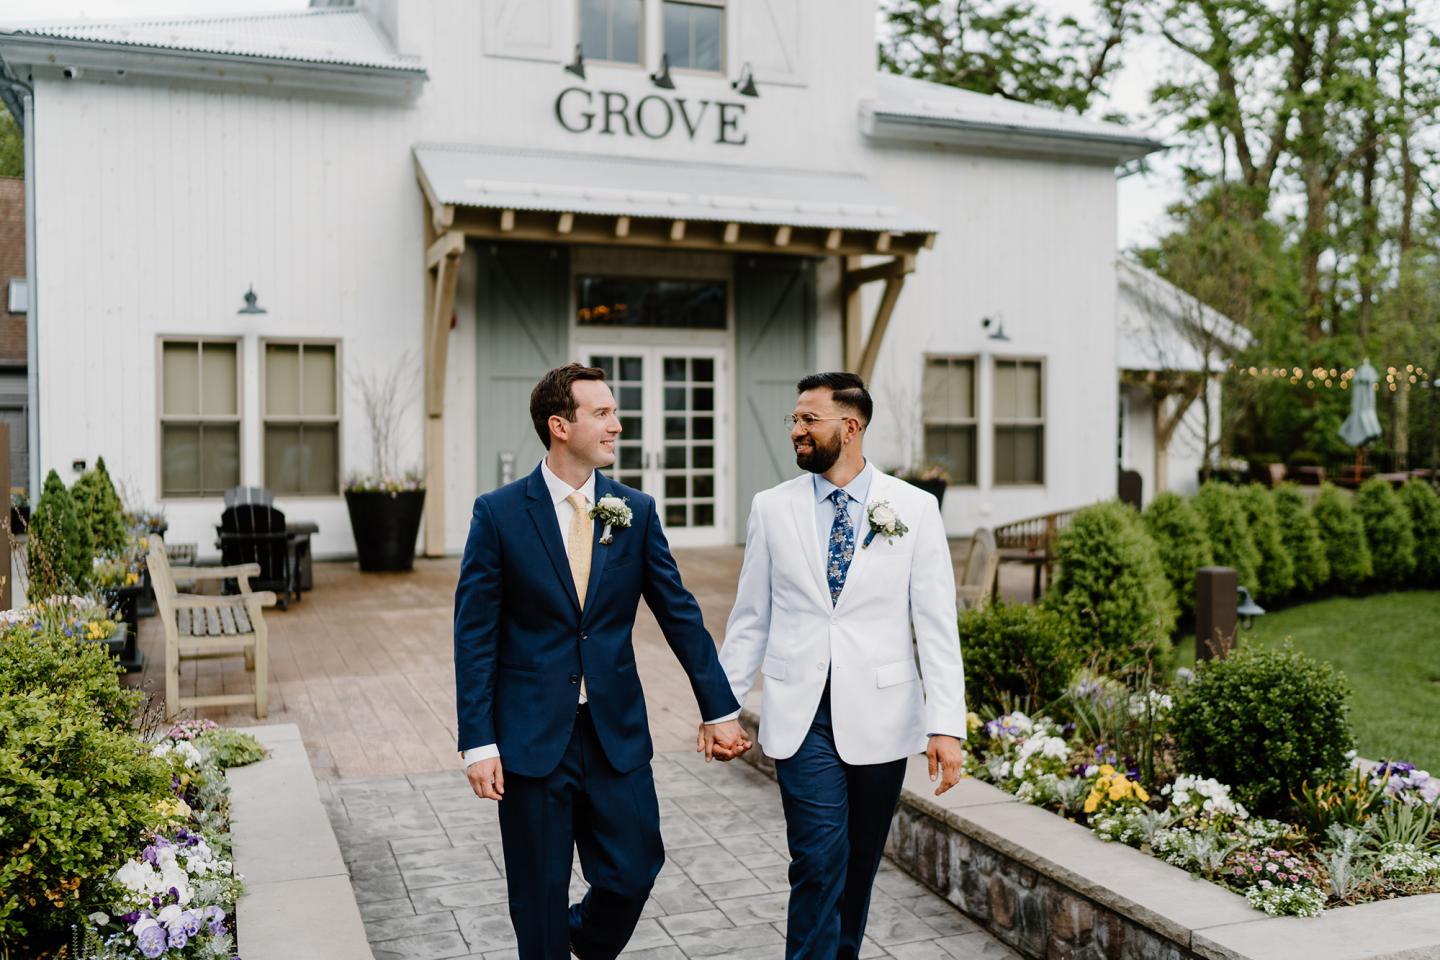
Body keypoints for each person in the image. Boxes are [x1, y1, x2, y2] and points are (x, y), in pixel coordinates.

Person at [454, 362, 750, 960]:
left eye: (614, 412)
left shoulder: (634, 510)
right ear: (560, 425)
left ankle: (581, 941)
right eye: (603, 413)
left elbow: (680, 613)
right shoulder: (500, 513)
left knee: (634, 869)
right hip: (532, 736)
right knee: (536, 894)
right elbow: (475, 633)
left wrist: (718, 707)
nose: (618, 424)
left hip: (614, 730)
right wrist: (478, 742)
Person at [713, 371, 968, 960]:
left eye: (809, 420)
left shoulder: (914, 508)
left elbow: (935, 626)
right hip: (803, 717)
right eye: (794, 420)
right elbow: (751, 617)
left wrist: (946, 725)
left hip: (882, 714)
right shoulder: (772, 508)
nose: (797, 430)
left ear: (850, 428)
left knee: (856, 866)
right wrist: (720, 707)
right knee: (817, 859)